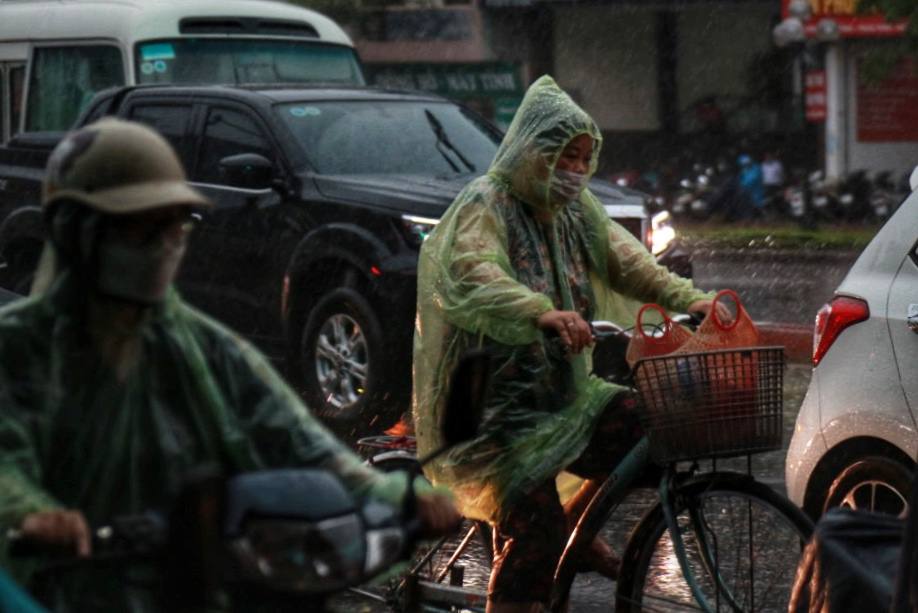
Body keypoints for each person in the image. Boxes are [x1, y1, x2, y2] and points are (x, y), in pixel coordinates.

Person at [0, 118, 459, 610]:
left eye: (175, 224)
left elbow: (297, 443)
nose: (166, 242)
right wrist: (32, 516)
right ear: (77, 233)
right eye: (140, 228)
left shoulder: (204, 349)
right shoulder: (20, 349)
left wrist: (392, 498)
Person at [412, 75, 722, 613]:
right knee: (534, 533)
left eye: (584, 159)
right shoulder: (486, 204)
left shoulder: (575, 214)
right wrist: (541, 311)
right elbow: (474, 271)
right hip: (491, 413)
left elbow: (628, 264)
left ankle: (575, 535)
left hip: (564, 395)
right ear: (532, 151)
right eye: (564, 157)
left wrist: (693, 300)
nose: (575, 171)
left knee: (646, 430)